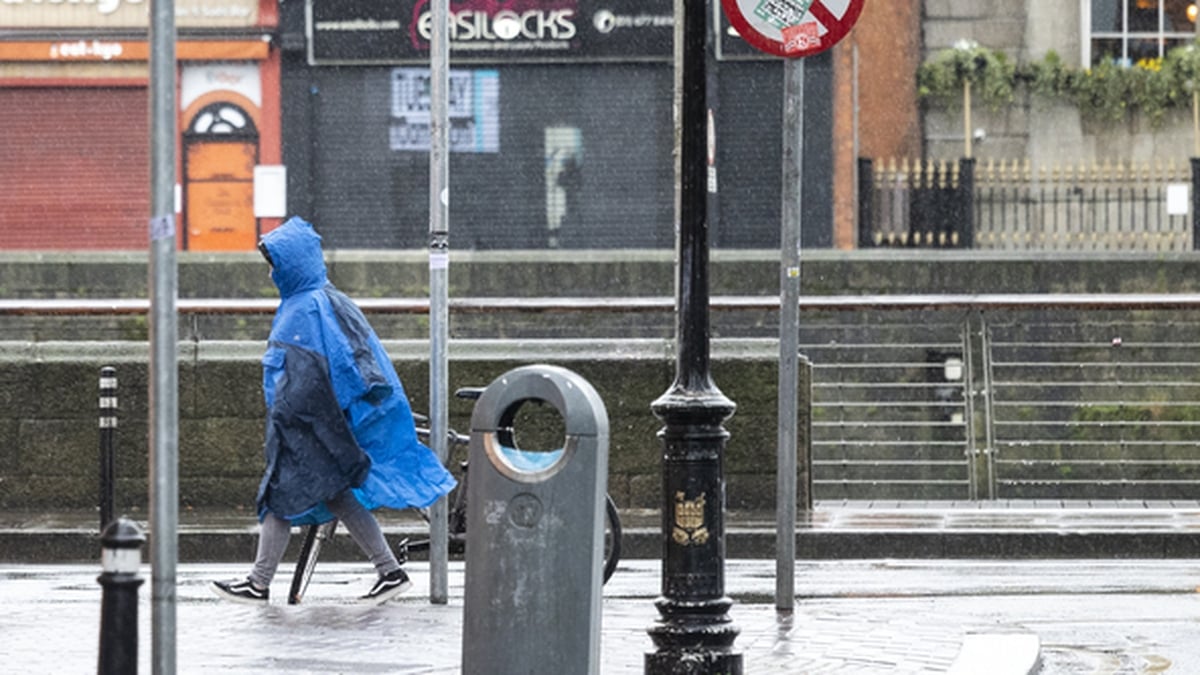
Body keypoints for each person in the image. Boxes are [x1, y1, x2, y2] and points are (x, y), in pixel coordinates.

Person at [211, 216, 456, 605]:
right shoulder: (326, 299)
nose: (272, 272)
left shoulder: (304, 307)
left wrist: (290, 415)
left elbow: (305, 374)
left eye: (274, 263)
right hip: (322, 425)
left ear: (289, 264)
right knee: (336, 494)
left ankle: (259, 583)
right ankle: (389, 571)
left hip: (307, 427)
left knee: (280, 493)